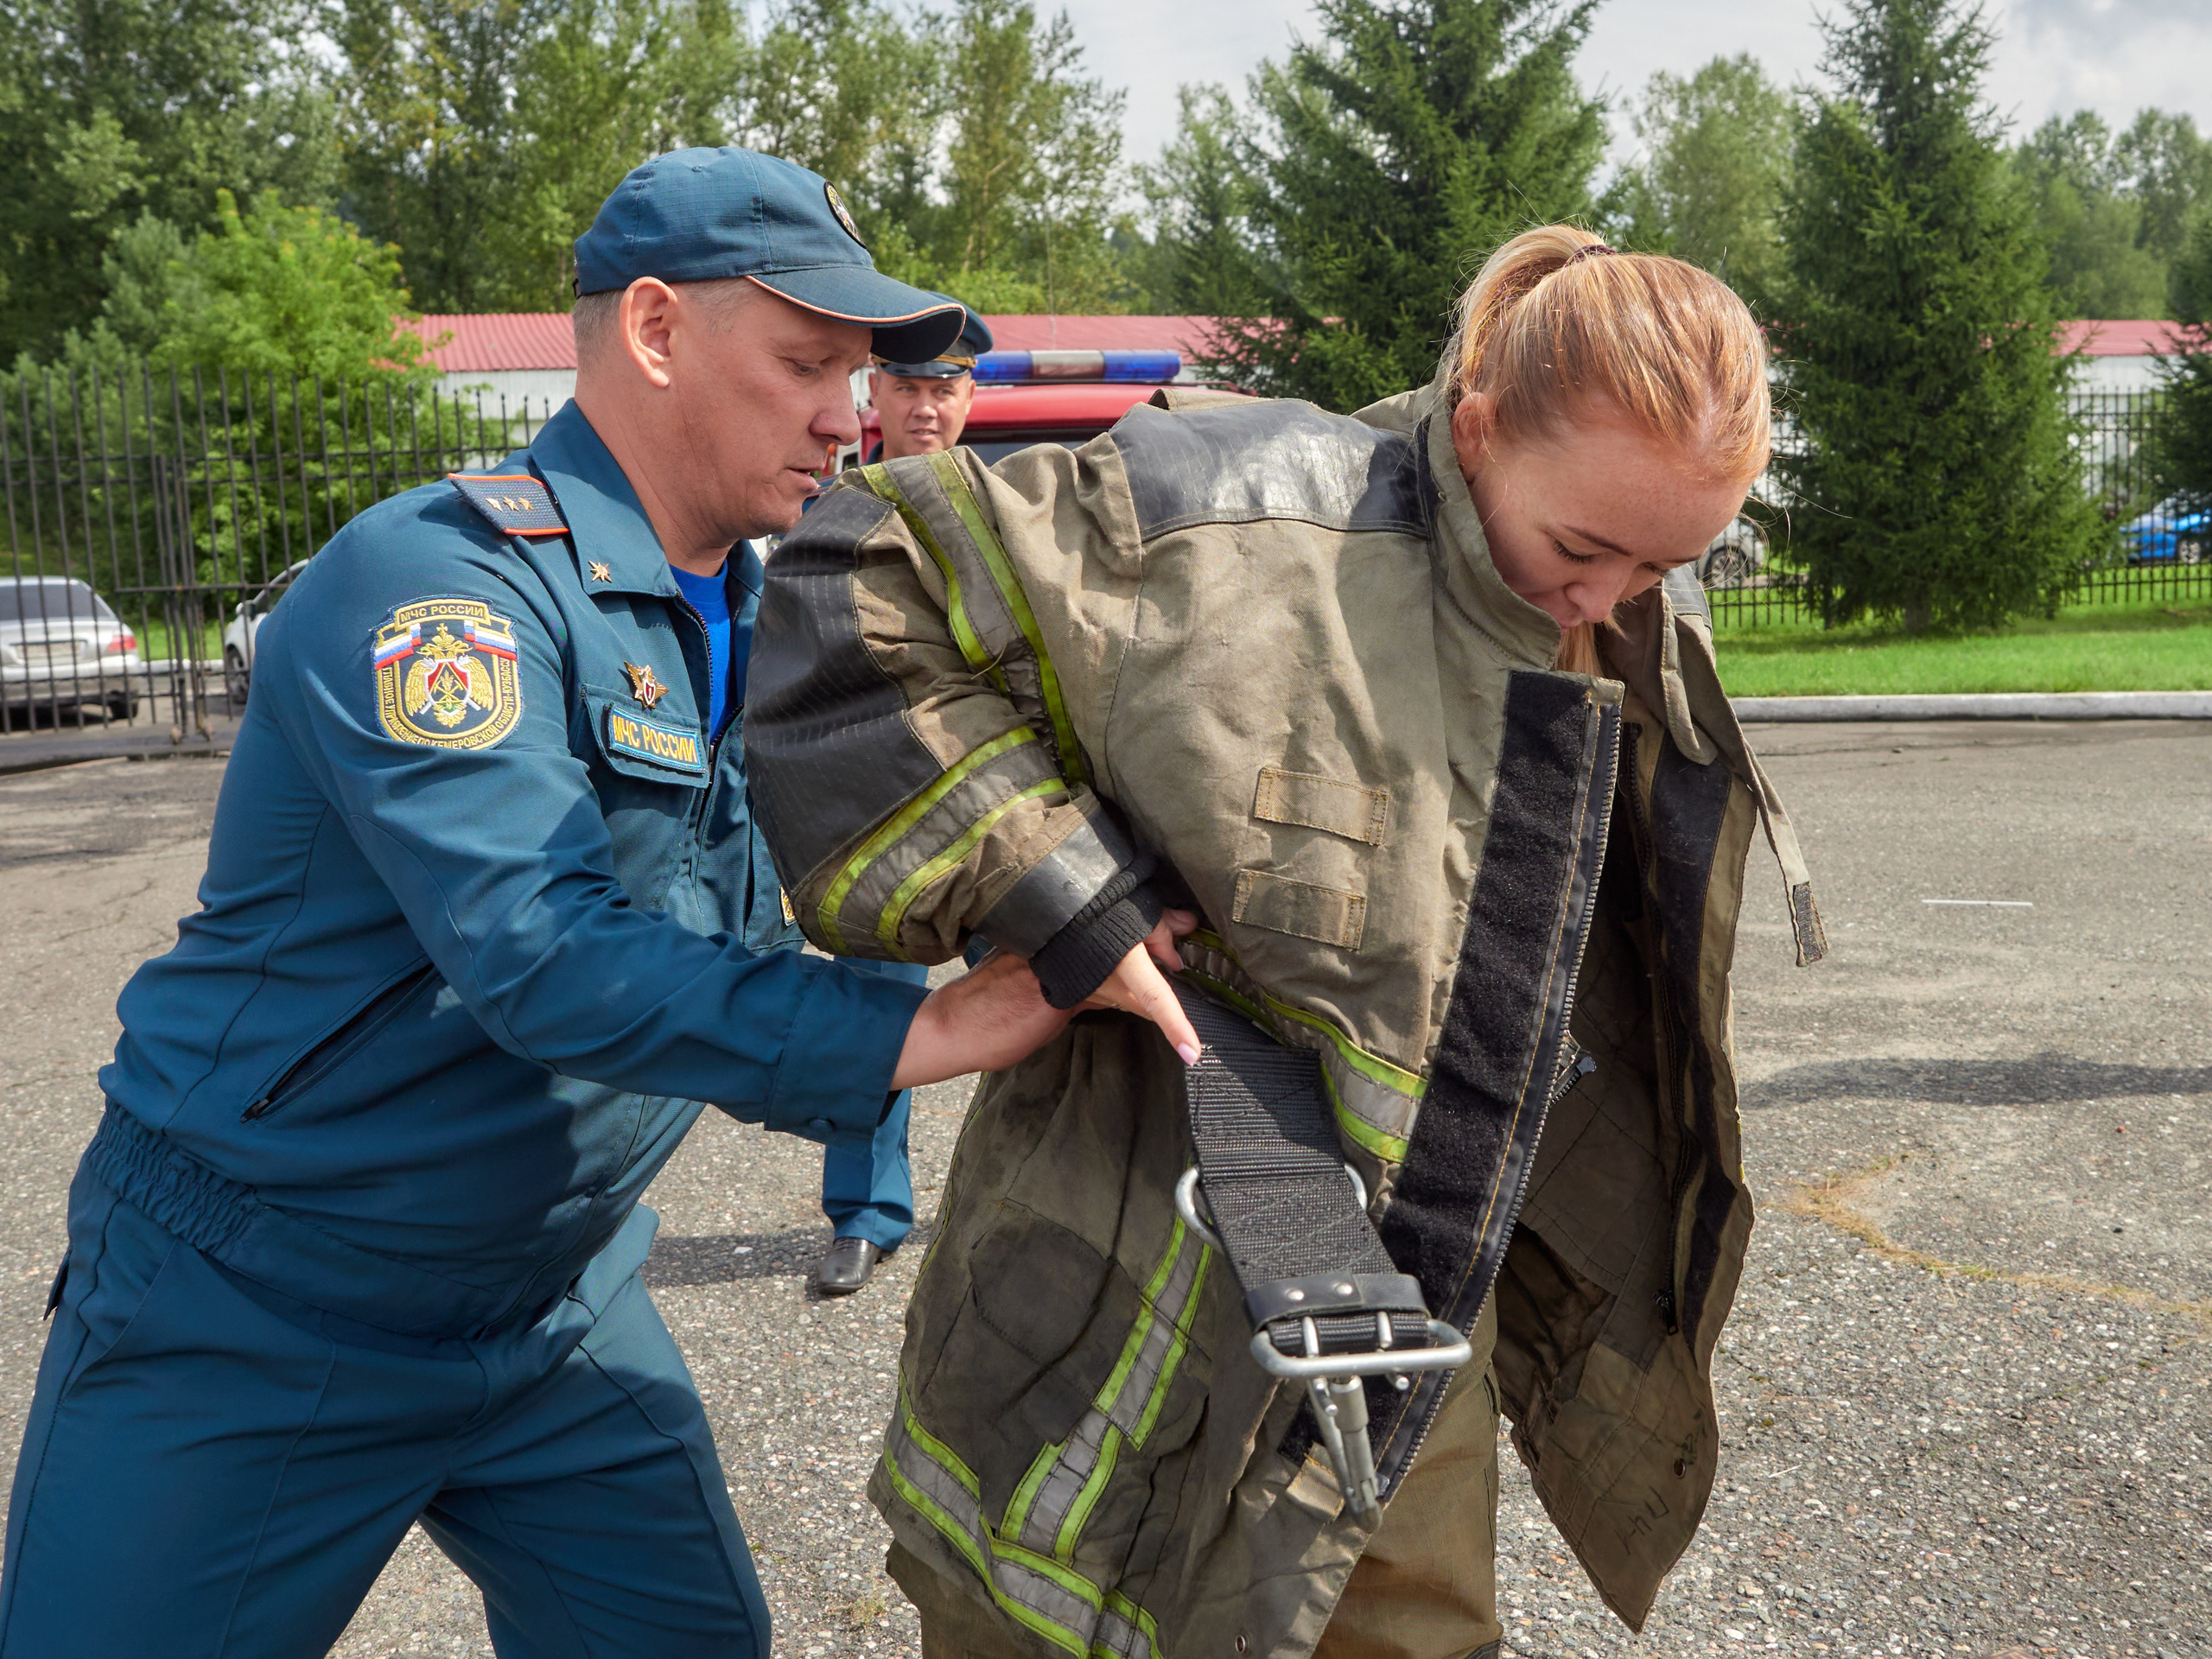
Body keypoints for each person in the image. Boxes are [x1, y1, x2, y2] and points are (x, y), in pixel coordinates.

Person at [0, 145, 1198, 1659]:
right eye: (807, 363)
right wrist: (936, 1029)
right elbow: (543, 953)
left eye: (857, 375)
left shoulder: (762, 610)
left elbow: (845, 857)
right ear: (654, 330)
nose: (848, 415)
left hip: (549, 1299)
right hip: (259, 1300)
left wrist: (1085, 898)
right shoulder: (441, 590)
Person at [744, 226, 1826, 1659]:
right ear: (1479, 428)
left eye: (1664, 566)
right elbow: (857, 580)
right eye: (1579, 550)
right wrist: (1063, 891)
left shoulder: (1618, 582)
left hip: (1412, 1331)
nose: (1604, 602)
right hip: (1124, 1310)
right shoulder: (1231, 522)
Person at [813, 294, 995, 1297]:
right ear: (873, 393)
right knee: (872, 1019)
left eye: (945, 388)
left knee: (1046, 1002)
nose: (927, 406)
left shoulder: (1015, 510)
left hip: (998, 808)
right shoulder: (826, 510)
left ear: (969, 398)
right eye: (908, 386)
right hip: (877, 808)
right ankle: (864, 1212)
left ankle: (1028, 1205)